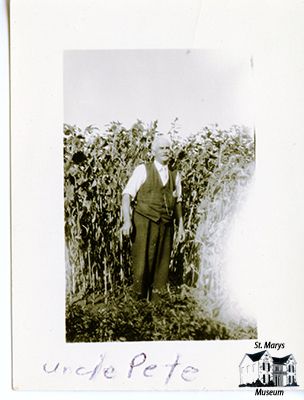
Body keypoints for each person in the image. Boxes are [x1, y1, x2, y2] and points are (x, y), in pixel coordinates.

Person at [121, 134, 185, 301]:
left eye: (168, 148)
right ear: (153, 151)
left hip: (165, 225)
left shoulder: (175, 174)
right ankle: (138, 307)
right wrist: (127, 221)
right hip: (143, 222)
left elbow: (178, 202)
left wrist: (181, 227)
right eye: (162, 148)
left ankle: (157, 307)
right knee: (142, 263)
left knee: (162, 265)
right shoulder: (143, 170)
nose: (166, 151)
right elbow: (127, 195)